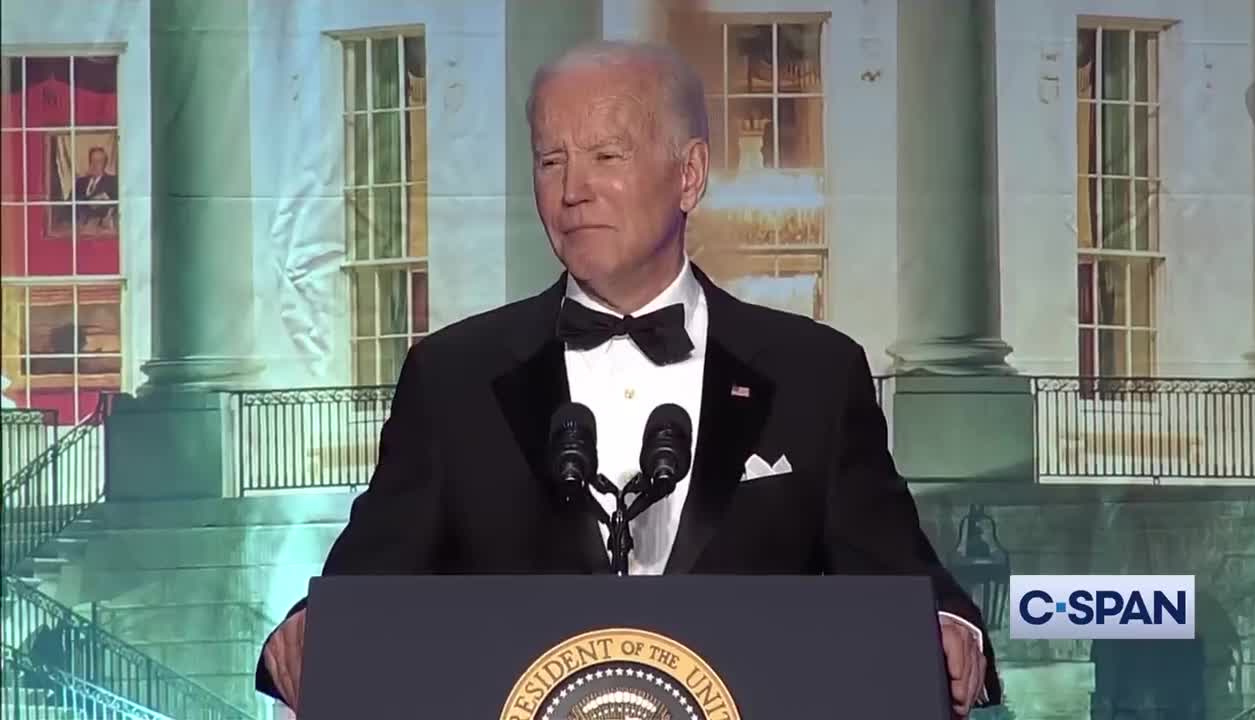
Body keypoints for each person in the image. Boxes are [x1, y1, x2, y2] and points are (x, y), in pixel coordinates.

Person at [257, 41, 1002, 716]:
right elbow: (366, 586)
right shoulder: (452, 376)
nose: (571, 188)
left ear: (689, 174)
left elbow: (899, 574)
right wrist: (305, 632)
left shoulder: (814, 373)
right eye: (551, 160)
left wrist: (949, 626)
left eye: (606, 156)